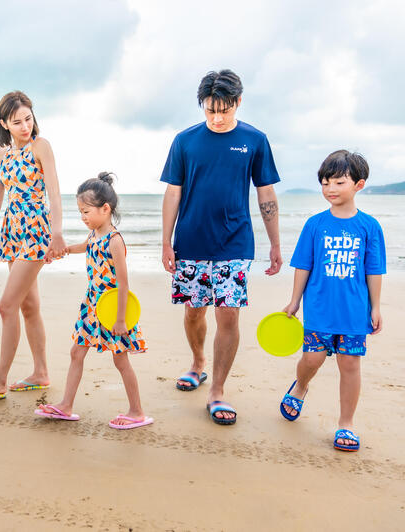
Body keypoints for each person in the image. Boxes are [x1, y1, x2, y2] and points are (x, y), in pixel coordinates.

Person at [160, 69, 282, 425]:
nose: (216, 117)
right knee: (194, 312)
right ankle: (197, 362)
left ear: (238, 103)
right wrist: (166, 242)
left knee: (228, 314)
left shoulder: (255, 140)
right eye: (210, 110)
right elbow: (173, 193)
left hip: (234, 242)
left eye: (224, 110)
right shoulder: (185, 141)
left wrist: (275, 243)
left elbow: (266, 193)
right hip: (191, 241)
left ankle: (217, 390)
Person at [279, 150, 385, 452]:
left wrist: (376, 306)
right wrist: (294, 301)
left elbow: (374, 269)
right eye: (325, 183)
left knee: (350, 364)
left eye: (338, 182)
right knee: (311, 359)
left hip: (354, 312)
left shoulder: (369, 226)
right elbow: (303, 265)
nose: (330, 189)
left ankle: (346, 424)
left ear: (359, 185)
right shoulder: (315, 224)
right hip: (320, 309)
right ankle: (300, 387)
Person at [0, 91, 66, 399]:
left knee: (6, 304)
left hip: (37, 231)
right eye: (17, 122)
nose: (25, 126)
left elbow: (54, 192)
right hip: (13, 232)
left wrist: (58, 232)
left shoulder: (41, 146)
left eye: (29, 119)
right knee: (28, 305)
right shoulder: (1, 155)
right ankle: (41, 372)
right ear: (4, 124)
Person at [35, 173, 152, 429]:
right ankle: (66, 405)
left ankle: (137, 412)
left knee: (120, 360)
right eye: (80, 212)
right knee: (77, 351)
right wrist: (60, 250)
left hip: (112, 309)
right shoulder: (95, 236)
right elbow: (84, 247)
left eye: (86, 211)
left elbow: (124, 285)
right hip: (91, 306)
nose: (83, 217)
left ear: (105, 209)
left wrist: (121, 320)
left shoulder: (115, 241)